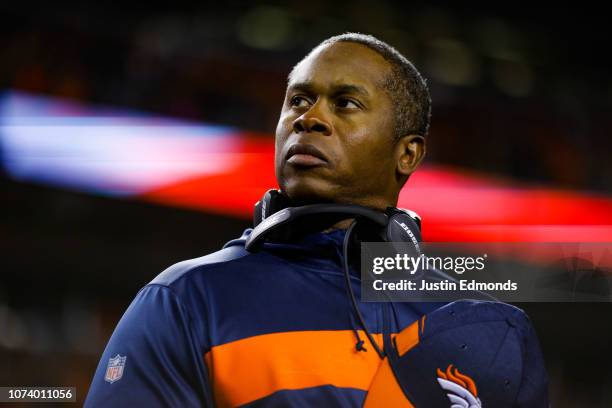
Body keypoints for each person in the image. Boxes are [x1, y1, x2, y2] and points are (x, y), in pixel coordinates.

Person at [84, 33, 547, 407]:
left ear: (407, 153)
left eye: (345, 103)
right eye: (298, 101)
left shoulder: (468, 323)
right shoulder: (186, 299)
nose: (309, 119)